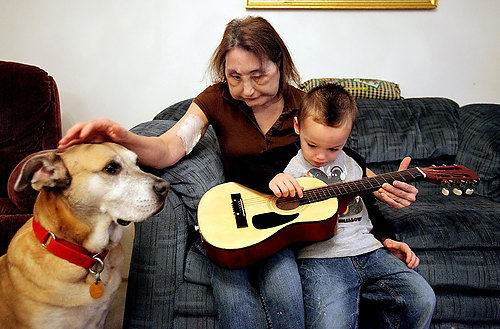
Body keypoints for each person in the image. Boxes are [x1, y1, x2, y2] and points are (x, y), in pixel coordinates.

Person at [58, 16, 419, 329]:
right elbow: (170, 148)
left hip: (280, 225)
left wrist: (380, 190)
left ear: (280, 64)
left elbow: (338, 161)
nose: (247, 90)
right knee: (235, 298)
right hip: (233, 217)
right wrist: (121, 136)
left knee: (286, 294)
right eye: (235, 76)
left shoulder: (302, 107)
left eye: (259, 76)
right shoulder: (215, 101)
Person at [269, 84, 436, 329]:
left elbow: (370, 208)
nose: (321, 157)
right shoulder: (285, 165)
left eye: (334, 148)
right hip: (320, 259)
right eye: (312, 144)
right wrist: (272, 182)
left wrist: (387, 240)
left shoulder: (354, 161)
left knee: (422, 299)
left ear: (347, 137)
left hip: (369, 250)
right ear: (297, 127)